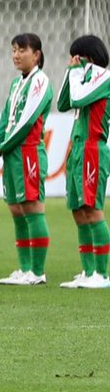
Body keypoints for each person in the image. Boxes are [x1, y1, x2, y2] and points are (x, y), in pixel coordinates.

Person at [0, 34, 53, 286]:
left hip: (28, 152)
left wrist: (2, 146)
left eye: (21, 50)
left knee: (32, 208)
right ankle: (25, 268)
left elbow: (26, 122)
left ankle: (37, 272)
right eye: (13, 50)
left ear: (36, 55)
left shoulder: (40, 81)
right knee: (17, 209)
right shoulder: (17, 83)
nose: (16, 55)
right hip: (13, 153)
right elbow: (7, 117)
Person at [56, 35, 110, 289]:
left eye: (76, 56)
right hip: (77, 148)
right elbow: (63, 103)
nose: (73, 61)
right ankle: (88, 271)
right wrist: (71, 72)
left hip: (92, 149)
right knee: (78, 210)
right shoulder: (83, 77)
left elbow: (77, 99)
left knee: (93, 209)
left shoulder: (104, 77)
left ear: (88, 57)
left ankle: (102, 274)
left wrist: (76, 72)